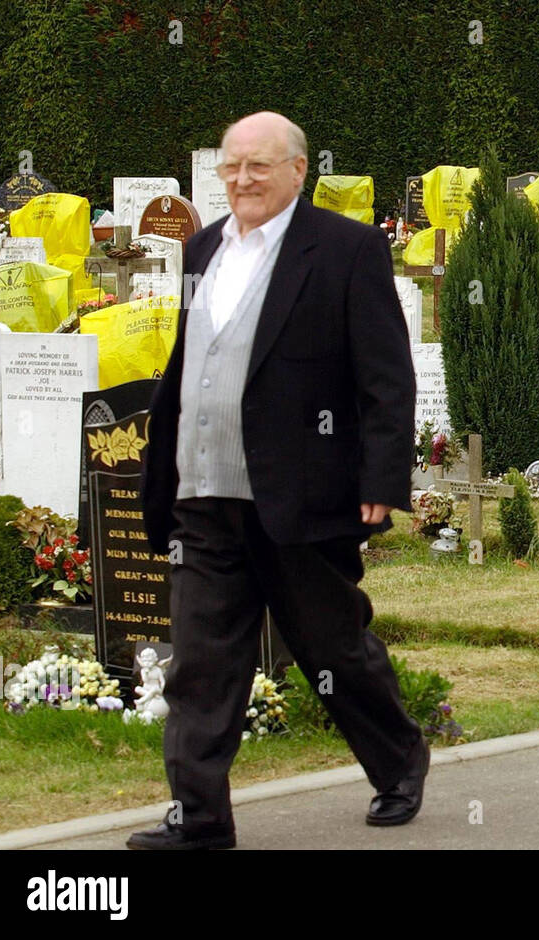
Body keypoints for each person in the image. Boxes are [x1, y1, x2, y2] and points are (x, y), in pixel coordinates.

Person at [131, 111, 427, 850]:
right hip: (204, 494)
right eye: (231, 166)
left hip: (302, 493)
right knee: (199, 663)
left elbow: (386, 375)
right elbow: (196, 357)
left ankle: (399, 761)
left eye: (257, 166)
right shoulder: (203, 246)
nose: (241, 180)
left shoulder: (347, 250)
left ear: (299, 170)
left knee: (333, 648)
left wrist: (382, 476)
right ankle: (200, 818)